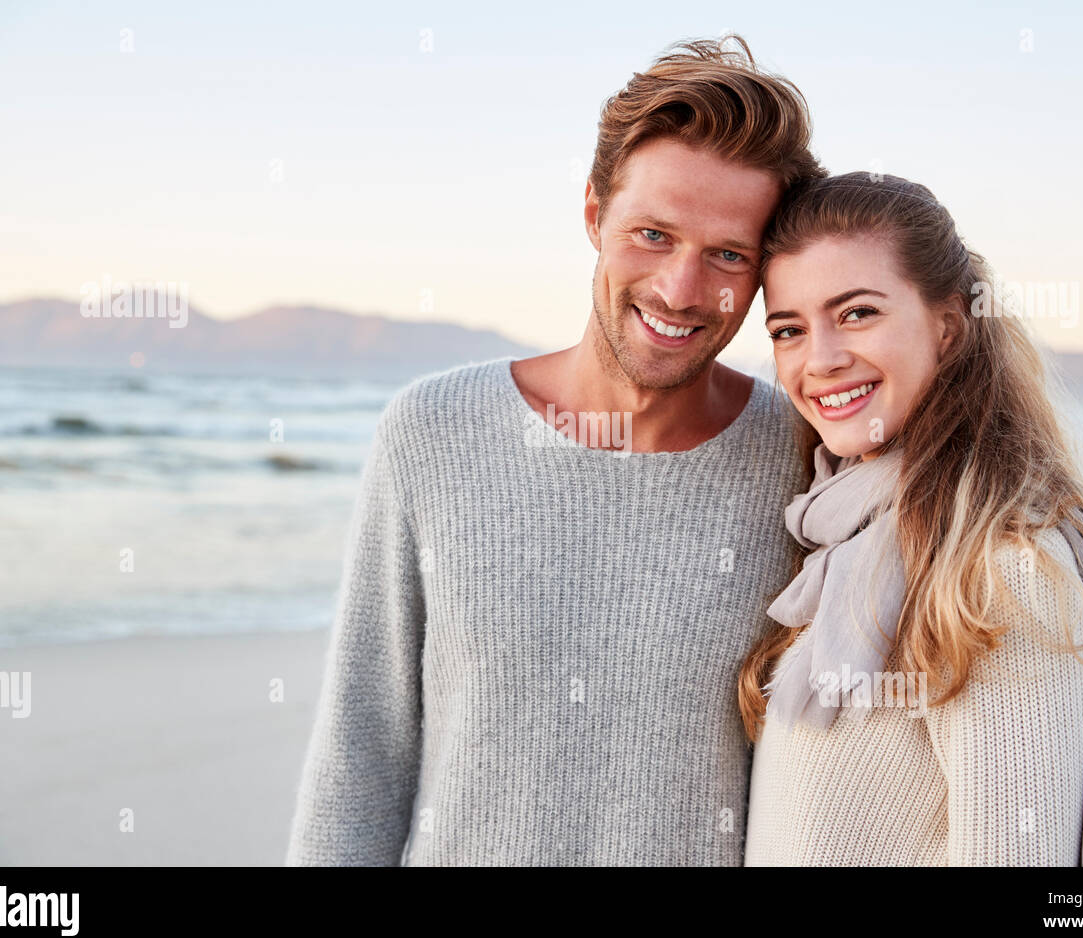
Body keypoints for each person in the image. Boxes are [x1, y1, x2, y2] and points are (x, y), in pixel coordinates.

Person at [285, 35, 825, 866]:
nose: (681, 291)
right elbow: (363, 746)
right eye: (652, 234)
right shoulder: (432, 432)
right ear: (593, 216)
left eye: (727, 254)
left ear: (762, 275)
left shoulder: (803, 458)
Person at [739, 171, 1083, 866]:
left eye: (857, 313)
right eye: (789, 329)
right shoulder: (841, 536)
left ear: (948, 327)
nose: (820, 359)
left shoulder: (1003, 568)